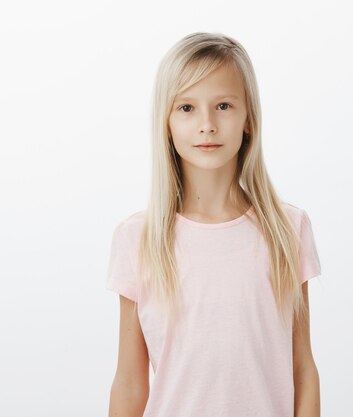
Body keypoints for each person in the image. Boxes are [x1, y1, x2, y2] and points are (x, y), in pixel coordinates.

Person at [105, 32, 322, 417]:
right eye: (186, 108)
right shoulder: (137, 238)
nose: (207, 124)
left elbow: (302, 368)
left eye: (223, 105)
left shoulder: (289, 229)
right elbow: (130, 382)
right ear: (166, 123)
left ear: (248, 119)